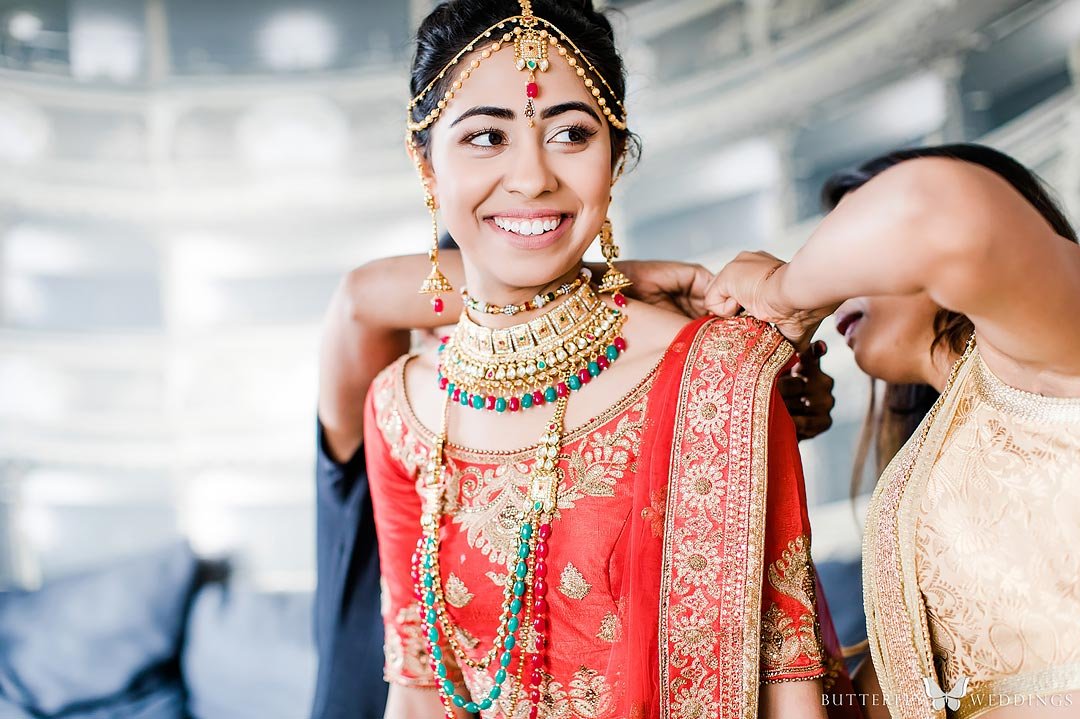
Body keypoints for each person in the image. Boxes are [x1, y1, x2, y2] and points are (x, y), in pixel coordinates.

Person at [346, 1, 860, 717]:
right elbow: (418, 688)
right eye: (487, 136)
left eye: (570, 134)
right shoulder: (400, 407)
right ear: (425, 162)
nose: (531, 178)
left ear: (615, 159)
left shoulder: (716, 372)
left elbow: (787, 683)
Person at [313, 248, 833, 719]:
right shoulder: (394, 420)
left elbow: (779, 659)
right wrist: (593, 280)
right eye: (454, 317)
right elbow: (362, 297)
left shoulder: (679, 390)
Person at [707, 143, 1080, 719]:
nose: (833, 287)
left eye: (852, 247)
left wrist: (780, 292)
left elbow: (930, 210)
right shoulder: (928, 479)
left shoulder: (1049, 349)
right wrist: (748, 445)